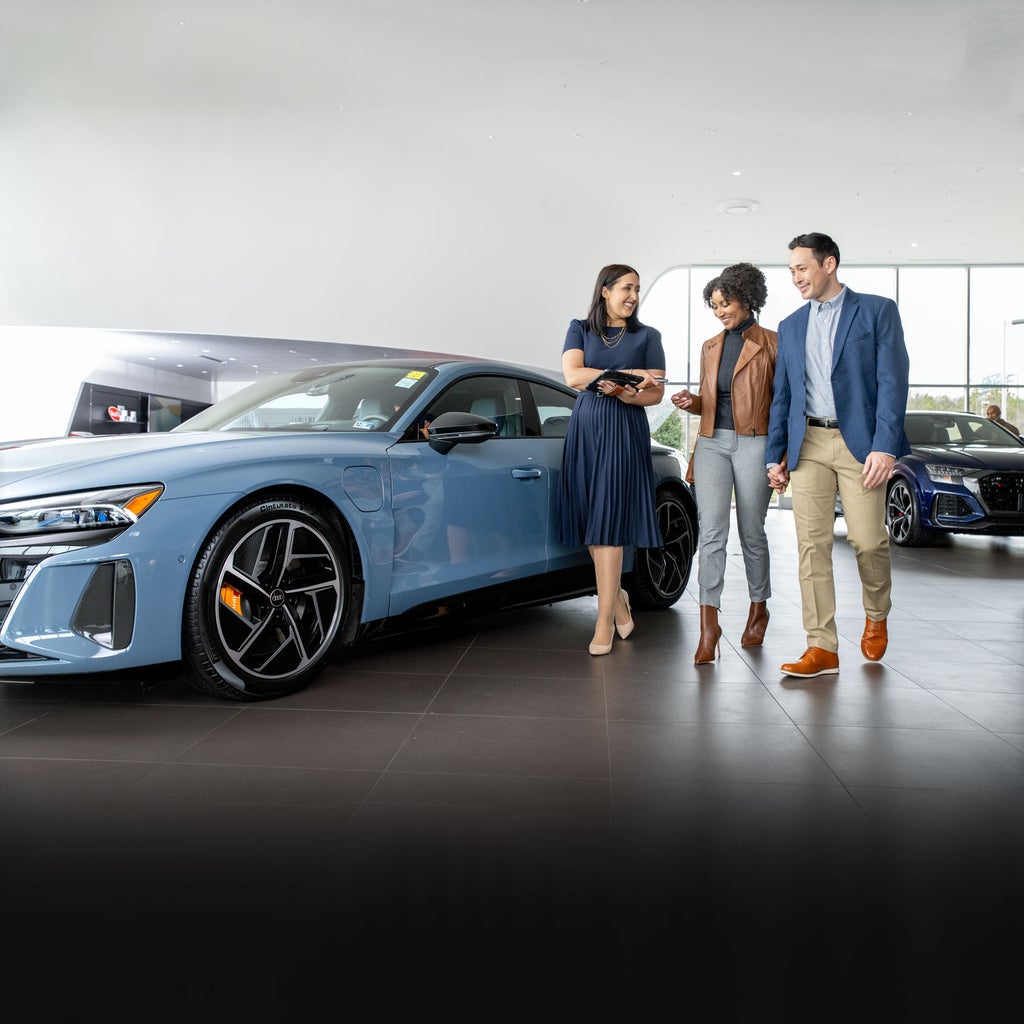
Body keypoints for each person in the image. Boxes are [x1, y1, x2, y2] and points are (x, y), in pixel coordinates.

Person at [766, 232, 910, 678]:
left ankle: (876, 612)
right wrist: (776, 454)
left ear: (829, 264)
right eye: (791, 270)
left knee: (868, 540)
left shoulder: (877, 310)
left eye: (802, 268)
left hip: (861, 445)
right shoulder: (790, 326)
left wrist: (885, 446)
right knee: (812, 546)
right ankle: (822, 646)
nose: (796, 278)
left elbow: (893, 380)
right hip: (808, 444)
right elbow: (782, 395)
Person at [671, 263, 778, 664]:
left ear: (747, 298)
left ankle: (758, 607)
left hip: (756, 442)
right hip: (713, 443)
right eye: (714, 305)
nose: (720, 312)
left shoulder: (773, 343)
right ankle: (708, 624)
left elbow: (782, 403)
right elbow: (710, 402)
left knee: (752, 532)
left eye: (726, 303)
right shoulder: (710, 346)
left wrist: (780, 455)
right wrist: (692, 403)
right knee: (711, 534)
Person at [560, 264, 666, 655]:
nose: (633, 296)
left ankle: (603, 619)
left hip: (624, 425)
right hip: (586, 427)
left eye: (637, 289)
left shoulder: (648, 335)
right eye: (626, 287)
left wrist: (625, 390)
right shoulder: (580, 328)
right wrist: (632, 372)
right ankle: (617, 598)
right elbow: (572, 376)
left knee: (608, 522)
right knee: (591, 518)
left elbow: (654, 393)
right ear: (605, 290)